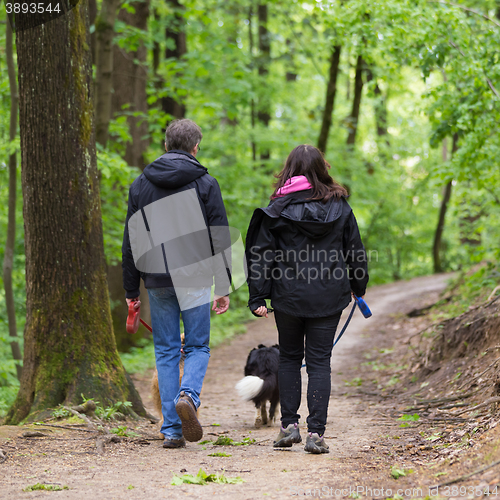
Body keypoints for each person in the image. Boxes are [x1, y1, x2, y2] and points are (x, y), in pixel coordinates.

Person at [245, 144, 369, 454]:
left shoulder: (277, 210)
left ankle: (288, 427)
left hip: (288, 295)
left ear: (289, 169)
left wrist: (258, 294)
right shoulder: (340, 207)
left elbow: (261, 254)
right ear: (322, 169)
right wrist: (358, 285)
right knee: (318, 362)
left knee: (289, 357)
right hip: (329, 295)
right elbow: (355, 251)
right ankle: (316, 433)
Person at [122, 118, 231, 449]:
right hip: (195, 275)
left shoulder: (141, 185)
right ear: (195, 147)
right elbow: (219, 235)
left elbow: (130, 242)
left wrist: (131, 290)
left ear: (166, 145)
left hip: (156, 278)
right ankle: (189, 396)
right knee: (197, 346)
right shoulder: (205, 183)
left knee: (166, 350)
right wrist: (223, 283)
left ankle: (170, 430)